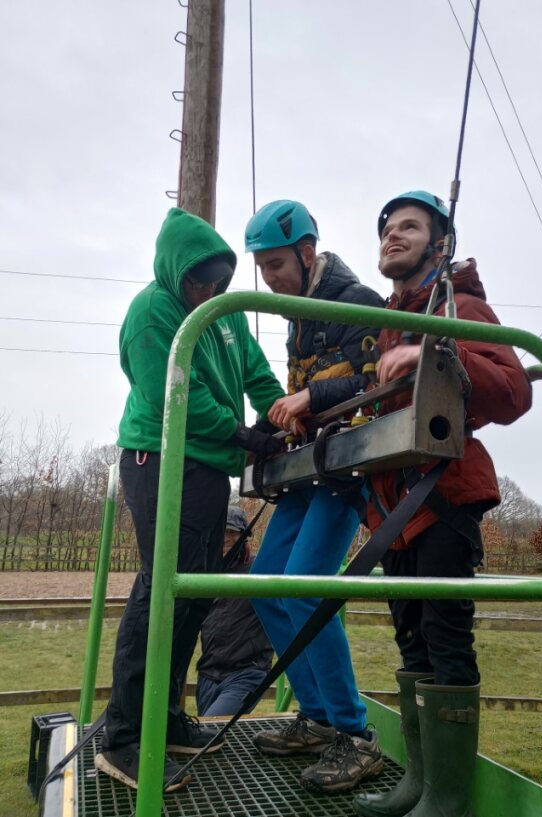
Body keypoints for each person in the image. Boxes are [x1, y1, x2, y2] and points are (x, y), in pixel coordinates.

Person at [353, 191, 533, 817]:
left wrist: (439, 350)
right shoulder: (386, 320)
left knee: (445, 635)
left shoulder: (461, 306)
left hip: (444, 492)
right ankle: (420, 785)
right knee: (411, 641)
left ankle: (448, 799)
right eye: (385, 230)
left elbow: (512, 392)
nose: (392, 237)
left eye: (408, 227)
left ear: (439, 244)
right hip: (392, 506)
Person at [95, 207, 286, 793]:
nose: (207, 290)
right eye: (198, 279)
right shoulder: (153, 312)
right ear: (175, 270)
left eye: (218, 281)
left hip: (206, 468)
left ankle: (167, 715)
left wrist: (279, 415)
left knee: (193, 594)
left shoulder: (222, 318)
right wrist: (241, 433)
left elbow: (255, 371)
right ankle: (124, 735)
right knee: (162, 587)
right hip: (160, 459)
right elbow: (170, 392)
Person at [242, 199, 386, 794]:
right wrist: (282, 426)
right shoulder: (298, 320)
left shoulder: (360, 304)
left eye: (276, 265)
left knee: (305, 587)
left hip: (348, 466)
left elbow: (382, 382)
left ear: (307, 253)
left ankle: (355, 734)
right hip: (309, 467)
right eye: (263, 269)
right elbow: (305, 391)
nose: (270, 280)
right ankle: (319, 717)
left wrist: (312, 401)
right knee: (267, 587)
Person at [195, 505, 273, 716]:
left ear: (243, 537)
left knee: (211, 730)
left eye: (232, 532)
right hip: (209, 671)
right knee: (206, 736)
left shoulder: (258, 569)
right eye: (221, 532)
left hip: (247, 671)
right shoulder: (203, 571)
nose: (226, 538)